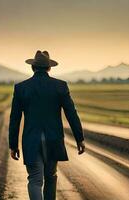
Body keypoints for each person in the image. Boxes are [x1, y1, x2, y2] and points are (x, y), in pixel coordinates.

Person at [8, 50, 85, 200]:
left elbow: (15, 119)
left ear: (32, 68)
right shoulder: (60, 86)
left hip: (31, 140)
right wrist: (79, 138)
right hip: (53, 138)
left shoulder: (21, 88)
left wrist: (13, 145)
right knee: (51, 177)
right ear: (49, 68)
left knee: (35, 180)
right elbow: (71, 114)